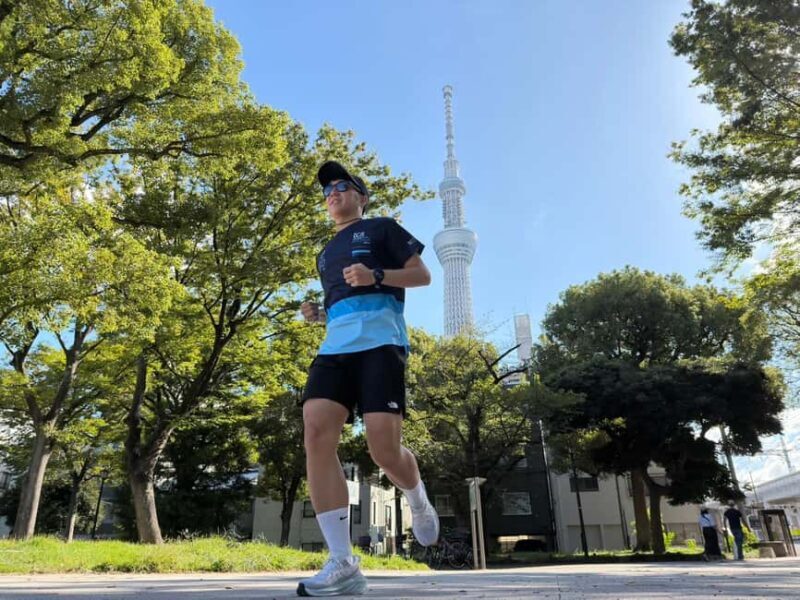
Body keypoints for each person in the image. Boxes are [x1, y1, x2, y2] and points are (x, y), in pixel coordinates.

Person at [296, 161, 439, 597]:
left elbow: (422, 275)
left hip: (381, 346)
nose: (333, 192)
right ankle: (342, 562)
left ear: (362, 196)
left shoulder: (381, 229)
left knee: (384, 451)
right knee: (317, 434)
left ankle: (416, 497)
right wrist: (318, 314)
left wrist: (377, 274)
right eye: (327, 190)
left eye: (342, 185)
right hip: (335, 350)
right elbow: (343, 304)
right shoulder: (324, 254)